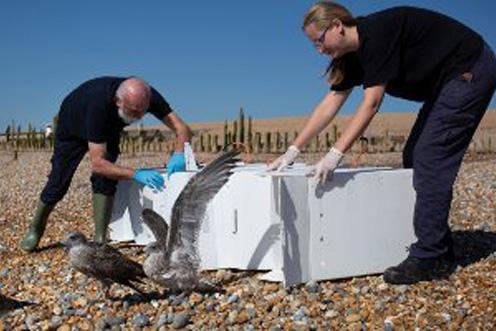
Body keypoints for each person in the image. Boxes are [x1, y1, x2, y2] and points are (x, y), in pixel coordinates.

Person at [268, 1, 496, 284]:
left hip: (469, 68)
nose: (320, 50)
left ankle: (430, 256)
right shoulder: (352, 56)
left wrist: (335, 154)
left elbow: (372, 103)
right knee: (414, 155)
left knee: (429, 156)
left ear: (337, 26)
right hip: (446, 81)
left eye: (319, 40)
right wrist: (293, 149)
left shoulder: (376, 36)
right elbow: (330, 104)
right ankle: (437, 242)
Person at [20, 76, 193, 252]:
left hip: (108, 127)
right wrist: (136, 174)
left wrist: (179, 153)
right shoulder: (97, 107)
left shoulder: (146, 96)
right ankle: (35, 229)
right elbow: (98, 164)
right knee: (58, 183)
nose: (139, 117)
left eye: (143, 112)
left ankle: (100, 238)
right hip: (72, 126)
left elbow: (182, 128)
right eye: (134, 112)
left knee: (106, 178)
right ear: (118, 101)